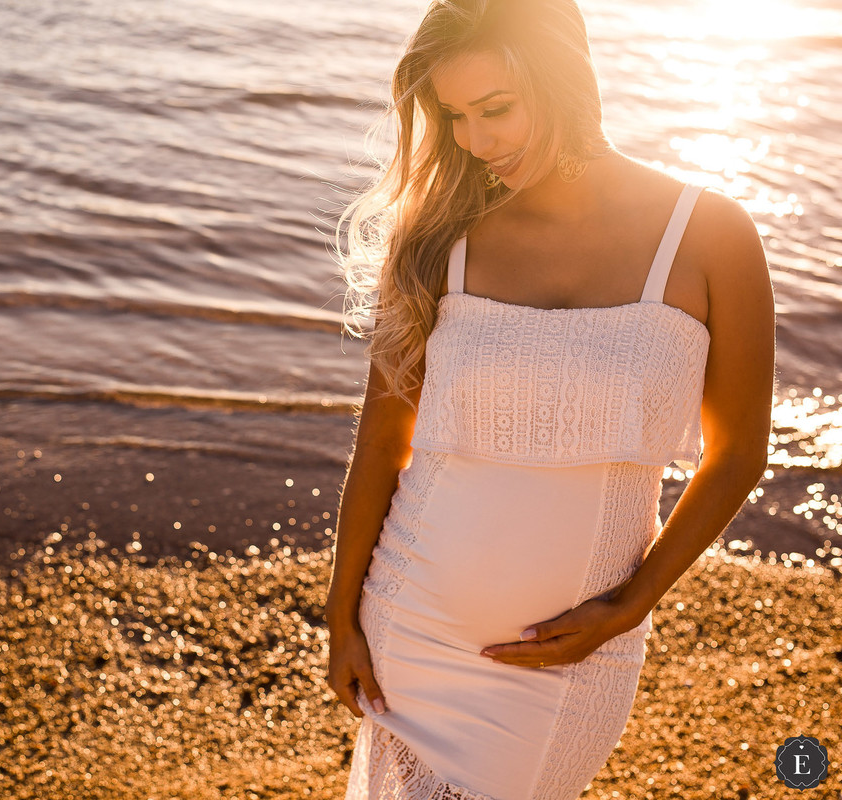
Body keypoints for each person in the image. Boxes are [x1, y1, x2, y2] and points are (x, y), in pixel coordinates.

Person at [323, 1, 775, 798]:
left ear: (567, 79)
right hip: (411, 626)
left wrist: (633, 603)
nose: (474, 140)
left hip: (575, 656)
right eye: (455, 116)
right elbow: (383, 442)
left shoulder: (708, 235)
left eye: (496, 108)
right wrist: (340, 615)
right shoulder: (439, 241)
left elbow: (737, 451)